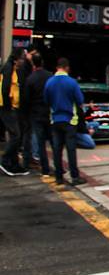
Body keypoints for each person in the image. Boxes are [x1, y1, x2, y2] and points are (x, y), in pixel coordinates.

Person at [43, 57, 86, 185]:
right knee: (71, 149)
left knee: (57, 149)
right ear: (67, 68)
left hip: (55, 119)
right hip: (70, 120)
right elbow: (79, 100)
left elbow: (46, 100)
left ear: (57, 67)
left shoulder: (49, 82)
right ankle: (74, 176)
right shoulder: (72, 82)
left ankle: (59, 177)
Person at [22, 52, 53, 176]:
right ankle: (59, 167)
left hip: (35, 113)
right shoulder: (50, 76)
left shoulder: (30, 79)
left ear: (33, 64)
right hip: (49, 112)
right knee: (53, 141)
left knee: (40, 142)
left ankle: (45, 168)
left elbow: (26, 99)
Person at [0, 49, 31, 176]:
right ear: (16, 59)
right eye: (22, 59)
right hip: (7, 108)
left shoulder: (13, 69)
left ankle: (15, 164)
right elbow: (5, 87)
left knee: (17, 136)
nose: (22, 61)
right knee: (16, 135)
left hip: (13, 107)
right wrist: (9, 106)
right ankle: (5, 161)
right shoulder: (8, 69)